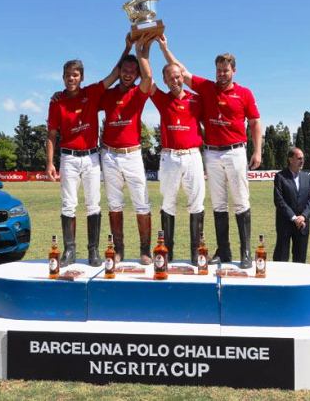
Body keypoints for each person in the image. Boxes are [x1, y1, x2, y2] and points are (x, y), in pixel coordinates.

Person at [156, 35, 262, 267]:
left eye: (225, 70)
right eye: (218, 70)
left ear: (234, 71)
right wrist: (165, 48)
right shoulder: (207, 88)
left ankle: (245, 253)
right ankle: (224, 251)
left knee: (241, 201)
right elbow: (180, 72)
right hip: (211, 153)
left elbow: (254, 123)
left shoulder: (245, 93)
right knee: (218, 204)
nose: (221, 74)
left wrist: (258, 151)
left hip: (236, 152)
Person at [46, 40, 131, 267]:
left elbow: (114, 75)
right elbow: (52, 134)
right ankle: (69, 250)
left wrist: (127, 47)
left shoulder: (92, 93)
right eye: (67, 75)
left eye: (74, 75)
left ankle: (93, 251)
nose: (70, 78)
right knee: (68, 205)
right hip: (69, 157)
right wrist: (49, 163)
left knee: (93, 204)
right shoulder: (56, 101)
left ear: (81, 77)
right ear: (63, 77)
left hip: (92, 157)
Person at [140, 37, 205, 263]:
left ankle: (197, 252)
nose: (175, 80)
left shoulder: (197, 100)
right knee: (168, 204)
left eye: (178, 77)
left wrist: (165, 48)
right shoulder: (161, 99)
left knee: (196, 204)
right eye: (170, 78)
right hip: (169, 157)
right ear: (166, 81)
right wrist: (143, 54)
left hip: (193, 156)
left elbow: (184, 70)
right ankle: (167, 251)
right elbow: (147, 79)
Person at [99, 35, 154, 264]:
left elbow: (149, 76)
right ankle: (118, 248)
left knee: (141, 203)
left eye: (133, 70)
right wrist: (126, 48)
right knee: (114, 204)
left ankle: (145, 250)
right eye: (125, 69)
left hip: (132, 154)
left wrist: (143, 52)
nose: (128, 73)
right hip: (109, 154)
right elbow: (111, 74)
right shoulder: (108, 94)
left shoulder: (138, 93)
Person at [273, 147, 310, 263]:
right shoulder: (280, 177)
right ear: (290, 160)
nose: (302, 161)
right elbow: (279, 200)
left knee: (300, 258)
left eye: (303, 158)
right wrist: (294, 217)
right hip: (285, 223)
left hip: (302, 224)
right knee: (281, 257)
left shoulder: (307, 177)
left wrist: (303, 216)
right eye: (299, 158)